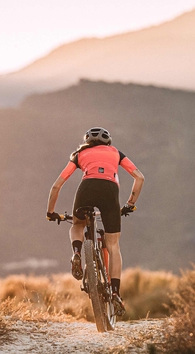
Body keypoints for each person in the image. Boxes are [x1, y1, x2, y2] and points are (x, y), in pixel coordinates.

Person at [46, 127, 144, 315]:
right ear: (108, 142)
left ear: (87, 141)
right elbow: (139, 177)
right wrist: (130, 204)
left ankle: (76, 252)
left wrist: (51, 212)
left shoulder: (80, 154)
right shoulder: (116, 153)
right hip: (110, 192)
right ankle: (115, 293)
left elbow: (56, 186)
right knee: (113, 246)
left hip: (87, 189)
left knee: (78, 224)